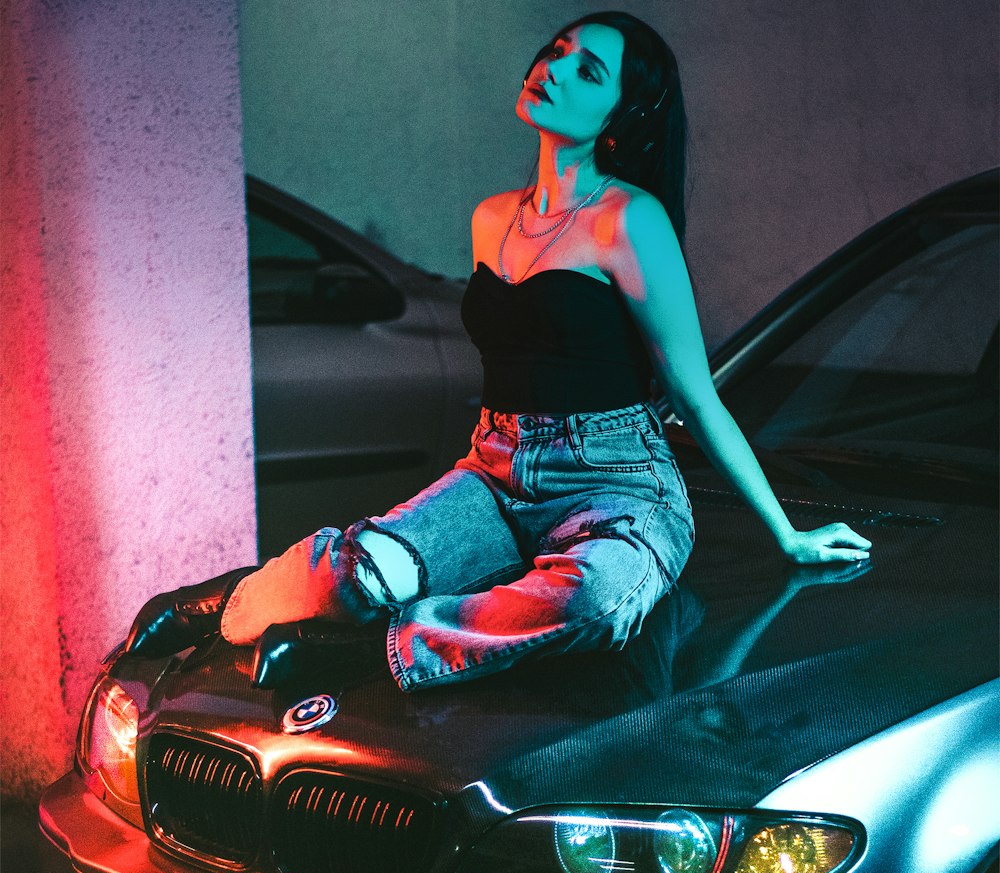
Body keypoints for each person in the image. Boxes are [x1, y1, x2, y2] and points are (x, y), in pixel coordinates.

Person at [127, 10, 871, 691]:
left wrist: (790, 534)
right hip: (495, 469)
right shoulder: (493, 219)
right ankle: (221, 602)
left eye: (589, 71)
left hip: (619, 488)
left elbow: (692, 390)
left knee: (599, 602)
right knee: (351, 576)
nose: (553, 67)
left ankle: (363, 652)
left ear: (619, 115)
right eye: (558, 50)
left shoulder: (627, 220)